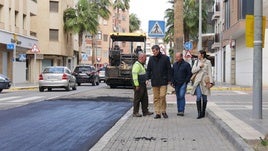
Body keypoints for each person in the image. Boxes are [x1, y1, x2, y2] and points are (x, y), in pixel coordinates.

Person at [146, 45, 172, 119]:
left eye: (154, 51)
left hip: (163, 81)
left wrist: (169, 80)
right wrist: (147, 78)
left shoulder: (165, 58)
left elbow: (169, 70)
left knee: (162, 96)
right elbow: (148, 70)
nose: (153, 52)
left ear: (158, 50)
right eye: (153, 51)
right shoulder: (151, 59)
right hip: (154, 81)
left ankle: (163, 111)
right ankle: (158, 113)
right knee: (156, 98)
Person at [191, 50, 214, 119]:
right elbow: (192, 71)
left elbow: (210, 72)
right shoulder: (196, 62)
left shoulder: (208, 62)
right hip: (198, 81)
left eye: (199, 54)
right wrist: (199, 67)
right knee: (198, 97)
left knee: (204, 97)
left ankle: (203, 112)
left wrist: (211, 82)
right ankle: (199, 113)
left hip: (205, 82)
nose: (198, 55)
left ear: (202, 55)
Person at [132, 53, 154, 117]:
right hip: (139, 85)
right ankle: (135, 112)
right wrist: (136, 85)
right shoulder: (137, 65)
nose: (146, 59)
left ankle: (145, 111)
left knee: (145, 98)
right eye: (145, 58)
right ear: (141, 58)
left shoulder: (141, 65)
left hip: (142, 84)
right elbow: (134, 76)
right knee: (137, 99)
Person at [171, 52, 192, 116]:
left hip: (183, 83)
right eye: (176, 57)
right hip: (176, 83)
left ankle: (181, 110)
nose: (176, 58)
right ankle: (179, 110)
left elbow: (189, 74)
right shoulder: (174, 65)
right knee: (178, 97)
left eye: (177, 57)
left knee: (181, 96)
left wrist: (186, 81)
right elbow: (172, 73)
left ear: (181, 57)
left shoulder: (186, 65)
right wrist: (172, 81)